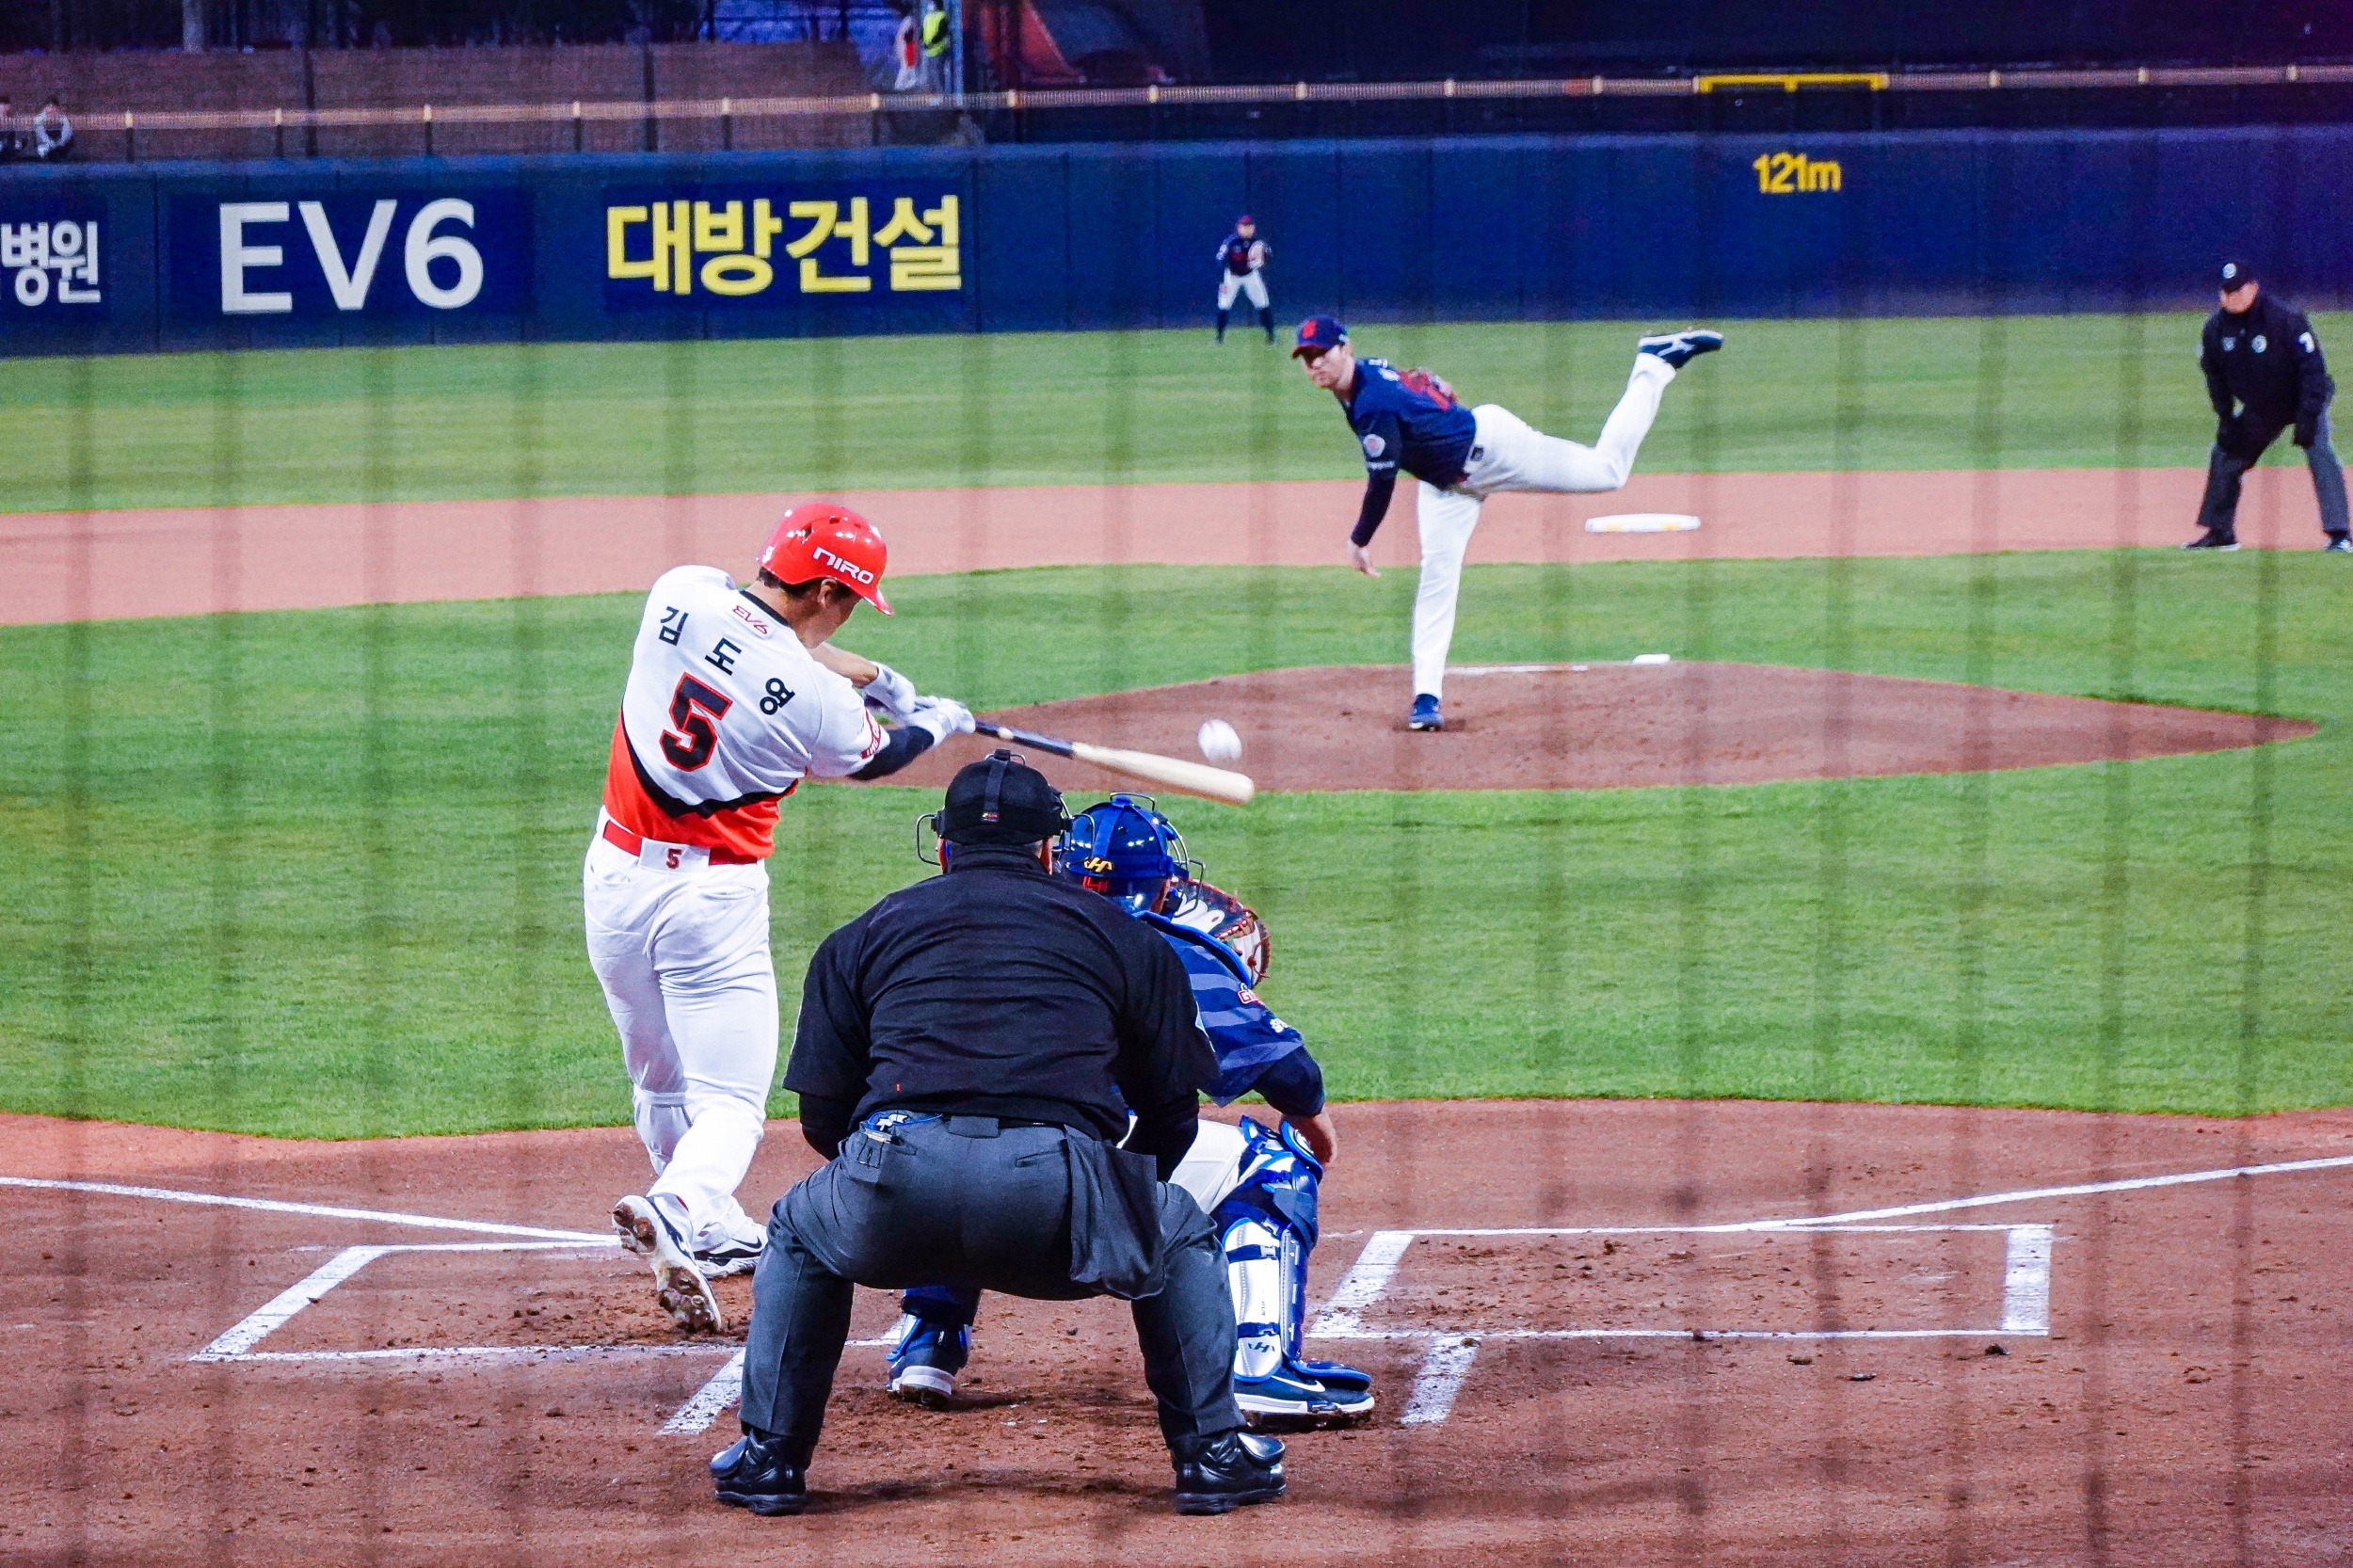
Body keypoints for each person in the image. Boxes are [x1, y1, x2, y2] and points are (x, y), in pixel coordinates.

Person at [714, 752, 1289, 1516]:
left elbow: (822, 1116)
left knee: (797, 1227)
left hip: (893, 1182)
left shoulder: (862, 935)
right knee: (1177, 1229)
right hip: (1053, 1193)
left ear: (942, 845)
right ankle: (1212, 1459)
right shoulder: (1124, 938)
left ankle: (770, 1462)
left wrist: (900, 1183)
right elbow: (1170, 1115)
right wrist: (1109, 1205)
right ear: (1050, 850)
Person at [592, 504, 974, 1334]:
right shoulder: (818, 705)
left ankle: (709, 1225)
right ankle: (679, 1207)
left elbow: (763, 634)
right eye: (851, 600)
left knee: (659, 1075)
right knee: (732, 1101)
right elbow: (877, 756)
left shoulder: (680, 593)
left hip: (613, 881)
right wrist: (934, 721)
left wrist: (875, 675)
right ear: (830, 590)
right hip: (710, 904)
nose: (849, 614)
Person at [882, 794, 1376, 1421]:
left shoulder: (963, 929)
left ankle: (927, 1341)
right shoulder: (1163, 947)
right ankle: (1259, 1367)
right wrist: (1318, 1139)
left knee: (962, 1119)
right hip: (1068, 1199)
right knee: (1271, 1167)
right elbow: (1288, 1073)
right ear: (1165, 885)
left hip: (926, 1196)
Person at [1292, 313, 1723, 731]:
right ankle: (1426, 698)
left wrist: (1359, 539)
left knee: (1607, 471)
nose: (1315, 364)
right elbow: (1422, 380)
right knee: (1436, 579)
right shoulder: (1365, 374)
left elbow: (1382, 480)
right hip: (1446, 488)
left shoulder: (1371, 404)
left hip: (1496, 450)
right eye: (1307, 357)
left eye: (1322, 353)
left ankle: (1653, 363)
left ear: (1346, 349)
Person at [2183, 261, 2348, 552]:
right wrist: (2226, 418)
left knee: (2319, 450)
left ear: (2253, 288)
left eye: (2238, 290)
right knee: (2224, 453)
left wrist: (2308, 416)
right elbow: (2215, 377)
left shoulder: (2284, 319)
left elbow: (2313, 370)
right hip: (2262, 407)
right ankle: (2221, 533)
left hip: (2302, 398)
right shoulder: (2215, 329)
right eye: (2227, 292)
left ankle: (2340, 534)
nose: (2232, 297)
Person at [1214, 216, 1274, 344]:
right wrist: (1221, 282)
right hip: (1232, 276)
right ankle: (1219, 338)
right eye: (1244, 226)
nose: (1247, 229)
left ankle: (1271, 337)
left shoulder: (1258, 242)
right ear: (1238, 228)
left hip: (1250, 275)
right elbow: (1220, 261)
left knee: (1263, 304)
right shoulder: (1231, 242)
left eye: (1249, 226)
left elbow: (1268, 256)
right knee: (1224, 306)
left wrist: (1262, 259)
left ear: (1253, 228)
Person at [31, 96, 72, 162]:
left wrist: (60, 143)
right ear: (45, 107)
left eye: (53, 107)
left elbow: (67, 132)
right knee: (43, 151)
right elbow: (41, 135)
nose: (51, 109)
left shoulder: (63, 118)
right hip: (45, 145)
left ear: (57, 108)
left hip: (60, 145)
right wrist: (51, 144)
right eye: (49, 107)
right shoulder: (39, 119)